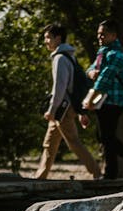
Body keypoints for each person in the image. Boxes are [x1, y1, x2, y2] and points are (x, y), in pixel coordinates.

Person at [34, 23, 100, 180]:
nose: (46, 41)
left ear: (58, 38)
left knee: (73, 142)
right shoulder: (69, 56)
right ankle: (40, 176)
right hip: (64, 107)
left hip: (62, 108)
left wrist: (51, 109)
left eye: (48, 37)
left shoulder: (60, 58)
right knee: (49, 143)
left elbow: (60, 87)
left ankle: (96, 172)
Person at [81, 18, 123, 180]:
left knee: (107, 137)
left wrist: (89, 100)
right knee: (105, 137)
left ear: (114, 35)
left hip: (114, 101)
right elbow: (91, 68)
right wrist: (91, 72)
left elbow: (104, 80)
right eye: (98, 34)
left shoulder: (116, 55)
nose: (100, 37)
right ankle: (118, 169)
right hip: (103, 101)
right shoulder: (103, 52)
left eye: (104, 34)